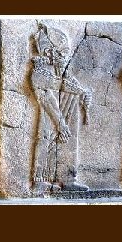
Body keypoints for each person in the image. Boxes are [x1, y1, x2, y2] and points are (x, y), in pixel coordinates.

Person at [31, 23, 91, 195]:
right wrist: (61, 124)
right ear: (49, 52)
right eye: (63, 53)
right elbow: (58, 90)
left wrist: (85, 96)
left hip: (63, 118)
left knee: (68, 139)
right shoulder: (39, 73)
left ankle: (67, 179)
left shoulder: (62, 72)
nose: (66, 57)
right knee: (46, 140)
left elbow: (72, 85)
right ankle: (40, 182)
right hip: (52, 118)